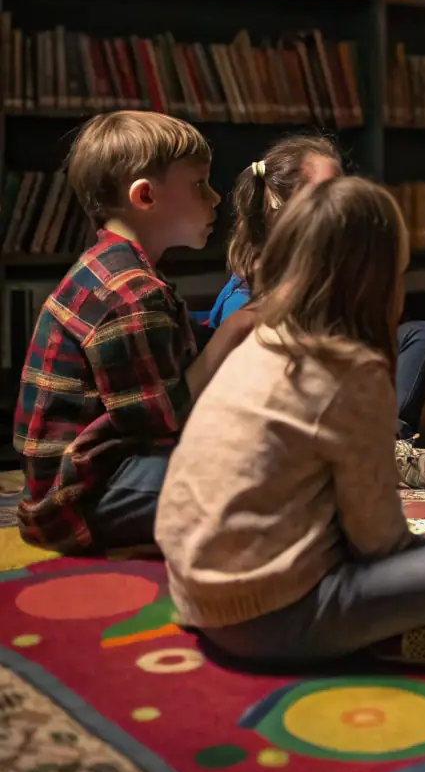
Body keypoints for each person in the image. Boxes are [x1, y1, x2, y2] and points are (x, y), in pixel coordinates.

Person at [156, 175, 425, 667]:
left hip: (193, 594)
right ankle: (383, 638)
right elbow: (378, 542)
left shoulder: (259, 339)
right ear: (379, 282)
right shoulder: (354, 374)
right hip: (272, 619)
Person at [15, 112, 253, 554]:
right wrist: (234, 330)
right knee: (254, 475)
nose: (216, 197)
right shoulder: (130, 291)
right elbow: (162, 417)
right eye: (199, 184)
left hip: (84, 480)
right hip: (82, 495)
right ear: (145, 196)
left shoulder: (113, 267)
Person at [205, 134, 425, 491]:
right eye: (326, 192)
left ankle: (391, 441)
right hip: (292, 408)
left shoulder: (330, 259)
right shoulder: (252, 286)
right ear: (280, 206)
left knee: (419, 335)